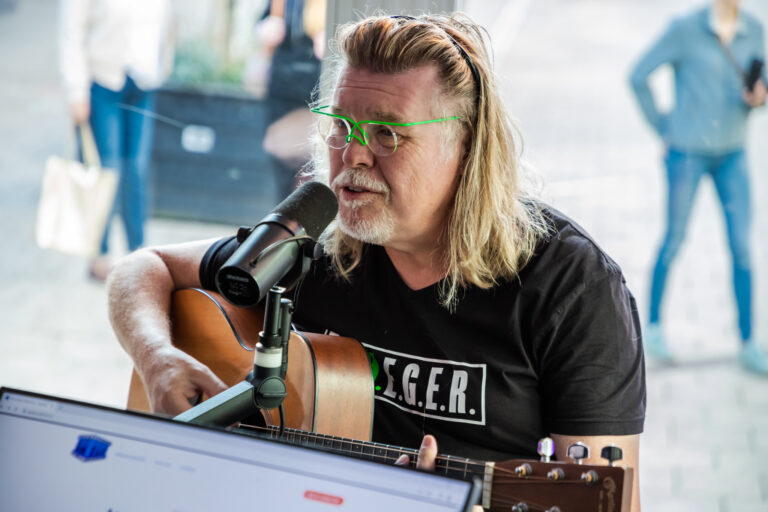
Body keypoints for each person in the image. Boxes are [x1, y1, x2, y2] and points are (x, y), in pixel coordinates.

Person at [107, 13, 645, 511]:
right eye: (341, 126)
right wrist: (158, 360)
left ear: (467, 148)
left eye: (387, 133)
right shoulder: (311, 248)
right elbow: (143, 268)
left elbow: (607, 502)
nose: (354, 155)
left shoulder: (571, 288)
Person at [629, 0, 767, 373]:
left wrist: (760, 97)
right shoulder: (685, 29)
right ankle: (653, 329)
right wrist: (664, 126)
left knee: (741, 247)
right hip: (686, 155)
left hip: (733, 154)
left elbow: (763, 84)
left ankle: (748, 341)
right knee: (673, 240)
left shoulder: (754, 29)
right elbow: (637, 76)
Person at [59, 0, 175, 281]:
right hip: (103, 82)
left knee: (137, 169)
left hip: (143, 82)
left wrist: (162, 68)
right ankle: (100, 252)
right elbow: (71, 31)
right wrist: (76, 90)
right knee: (106, 169)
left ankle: (139, 253)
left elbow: (168, 24)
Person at [256, 0, 325, 199]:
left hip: (316, 90)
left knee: (312, 159)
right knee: (280, 156)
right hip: (282, 90)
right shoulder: (282, 3)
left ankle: (304, 213)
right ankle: (284, 214)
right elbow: (265, 25)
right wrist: (266, 28)